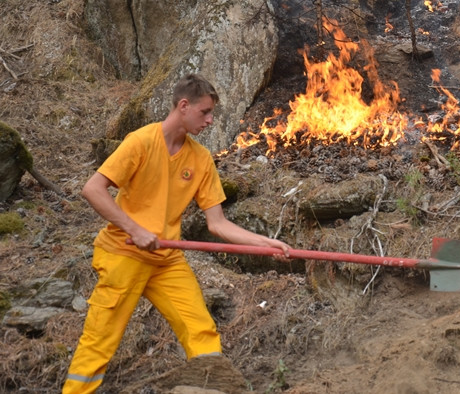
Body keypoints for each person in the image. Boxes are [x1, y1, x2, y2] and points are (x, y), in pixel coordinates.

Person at [63, 74, 291, 393]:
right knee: (99, 343)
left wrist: (265, 243)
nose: (210, 120)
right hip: (123, 255)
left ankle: (211, 388)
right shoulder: (140, 142)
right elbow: (93, 189)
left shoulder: (199, 159)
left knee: (201, 330)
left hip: (166, 262)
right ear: (183, 106)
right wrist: (135, 229)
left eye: (212, 113)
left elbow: (218, 224)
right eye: (205, 112)